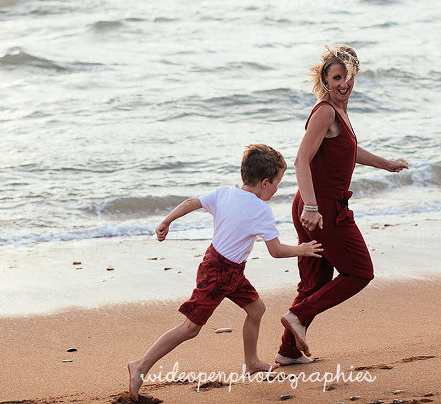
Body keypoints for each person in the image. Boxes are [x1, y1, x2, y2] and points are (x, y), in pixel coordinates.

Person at [128, 144, 324, 401]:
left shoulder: (224, 193)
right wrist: (303, 249)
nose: (277, 189)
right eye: (278, 183)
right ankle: (140, 365)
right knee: (190, 328)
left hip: (226, 268)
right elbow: (275, 251)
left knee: (256, 309)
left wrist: (166, 221)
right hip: (218, 273)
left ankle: (251, 361)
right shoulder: (261, 210)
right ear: (265, 183)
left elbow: (190, 203)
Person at [276, 45, 409, 366]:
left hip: (315, 205)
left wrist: (386, 164)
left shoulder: (340, 113)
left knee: (316, 282)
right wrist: (311, 206)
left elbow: (349, 151)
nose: (343, 83)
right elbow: (300, 161)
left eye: (347, 77)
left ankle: (288, 352)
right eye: (336, 77)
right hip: (320, 208)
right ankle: (298, 315)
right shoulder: (325, 112)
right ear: (325, 80)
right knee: (360, 271)